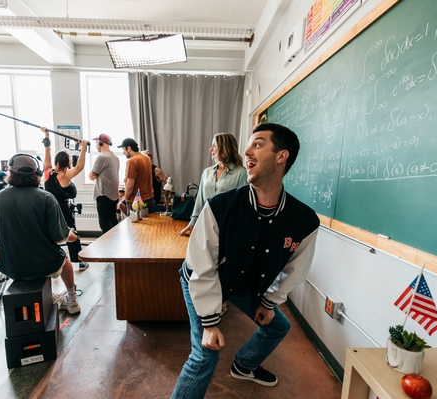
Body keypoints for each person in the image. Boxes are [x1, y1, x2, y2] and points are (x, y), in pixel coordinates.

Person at [171, 123, 320, 398]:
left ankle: (244, 364)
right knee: (205, 355)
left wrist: (268, 302)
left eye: (258, 144)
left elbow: (294, 269)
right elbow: (200, 267)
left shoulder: (305, 221)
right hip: (202, 278)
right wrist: (209, 322)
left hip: (242, 282)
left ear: (281, 156)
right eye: (248, 144)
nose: (247, 151)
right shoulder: (219, 207)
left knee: (278, 325)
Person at [0, 153, 81, 314]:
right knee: (65, 260)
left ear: (10, 173)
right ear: (37, 175)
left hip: (11, 266)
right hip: (43, 264)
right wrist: (73, 236)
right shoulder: (46, 198)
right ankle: (72, 300)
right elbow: (60, 237)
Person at [178, 132, 248, 237]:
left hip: (229, 228)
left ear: (224, 148)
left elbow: (243, 206)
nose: (211, 149)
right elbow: (200, 201)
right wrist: (192, 222)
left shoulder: (242, 173)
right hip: (206, 226)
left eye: (214, 145)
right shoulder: (207, 172)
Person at [41, 127, 89, 270]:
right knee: (71, 233)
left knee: (49, 234)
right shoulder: (65, 174)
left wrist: (47, 135)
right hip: (62, 209)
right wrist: (84, 148)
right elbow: (80, 166)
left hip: (48, 208)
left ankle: (51, 261)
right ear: (67, 161)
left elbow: (47, 151)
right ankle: (79, 261)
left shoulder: (47, 171)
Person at [89, 134, 120, 235]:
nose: (96, 145)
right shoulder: (115, 158)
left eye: (97, 143)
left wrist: (92, 176)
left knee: (104, 224)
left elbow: (92, 175)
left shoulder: (102, 157)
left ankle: (107, 246)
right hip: (113, 195)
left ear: (101, 143)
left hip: (103, 195)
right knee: (113, 221)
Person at [117, 138, 154, 214]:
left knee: (134, 225)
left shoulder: (132, 161)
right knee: (148, 225)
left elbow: (130, 185)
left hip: (136, 201)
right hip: (149, 198)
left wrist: (126, 198)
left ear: (129, 148)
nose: (123, 152)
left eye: (123, 149)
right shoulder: (146, 158)